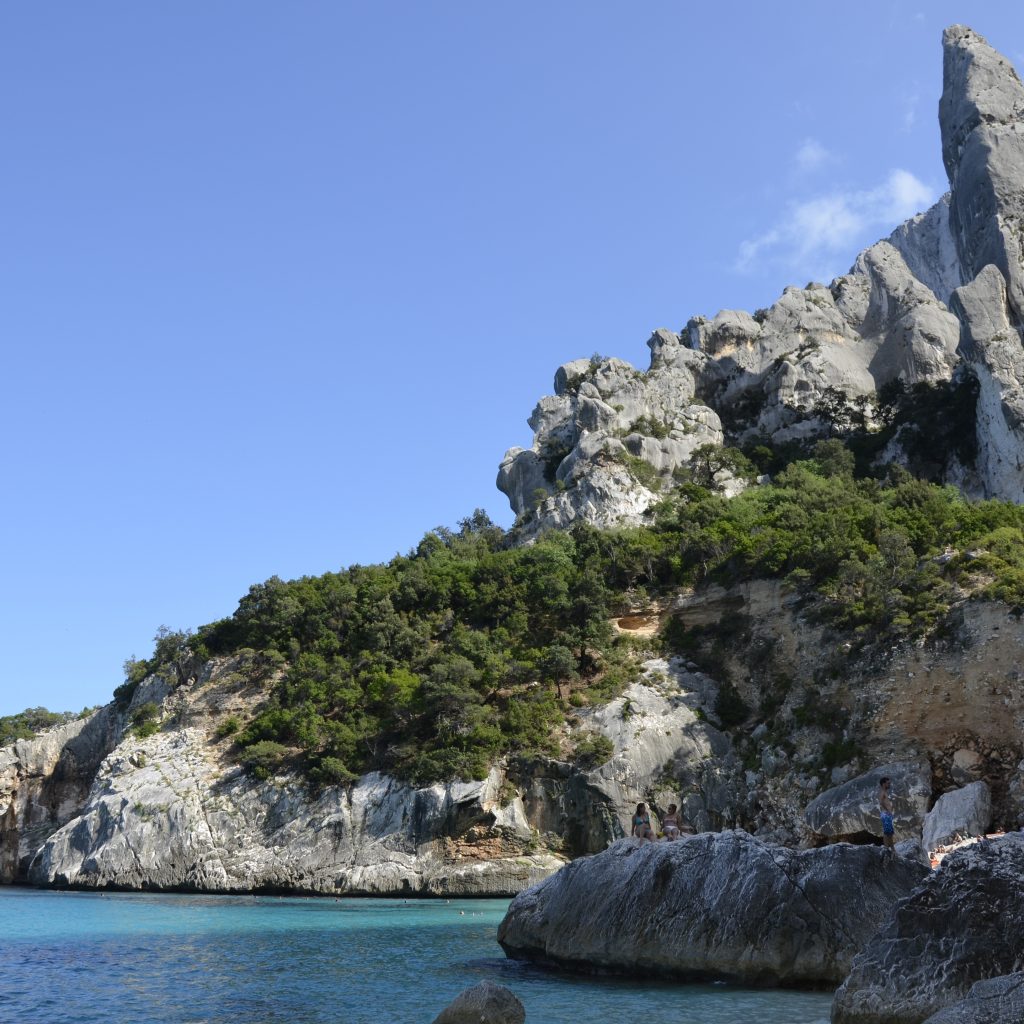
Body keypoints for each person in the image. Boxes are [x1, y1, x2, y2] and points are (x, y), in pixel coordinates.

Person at [879, 776, 895, 851]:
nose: (889, 785)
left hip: (887, 814)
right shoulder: (883, 792)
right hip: (885, 814)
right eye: (888, 783)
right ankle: (887, 848)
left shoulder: (885, 792)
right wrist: (887, 810)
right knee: (887, 832)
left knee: (890, 832)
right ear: (883, 784)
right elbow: (881, 802)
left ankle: (891, 847)